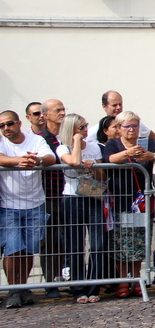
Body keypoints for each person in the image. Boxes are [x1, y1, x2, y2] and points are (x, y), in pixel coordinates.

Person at [103, 111, 155, 298]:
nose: (132, 130)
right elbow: (108, 159)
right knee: (121, 243)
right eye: (127, 126)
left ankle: (137, 278)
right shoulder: (113, 143)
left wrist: (151, 156)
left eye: (135, 126)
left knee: (140, 242)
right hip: (120, 199)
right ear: (119, 128)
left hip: (140, 199)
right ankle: (124, 281)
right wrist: (127, 153)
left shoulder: (146, 142)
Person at [0, 110, 55, 308]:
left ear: (19, 123)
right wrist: (19, 160)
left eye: (10, 123)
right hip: (9, 205)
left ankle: (23, 287)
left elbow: (50, 157)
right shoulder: (1, 142)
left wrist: (37, 160)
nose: (6, 128)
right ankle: (13, 290)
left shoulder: (35, 140)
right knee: (12, 249)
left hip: (35, 204)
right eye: (2, 125)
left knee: (28, 250)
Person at [57, 113, 108, 302]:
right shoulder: (63, 147)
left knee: (97, 244)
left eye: (86, 126)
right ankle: (78, 288)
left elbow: (103, 175)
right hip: (72, 198)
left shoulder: (95, 147)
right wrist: (77, 141)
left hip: (93, 196)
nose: (85, 130)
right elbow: (74, 162)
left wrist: (93, 166)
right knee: (76, 245)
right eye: (80, 128)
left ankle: (94, 287)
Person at [39, 99, 66, 298]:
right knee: (51, 242)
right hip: (49, 196)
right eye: (58, 110)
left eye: (63, 109)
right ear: (46, 115)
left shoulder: (66, 136)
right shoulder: (41, 138)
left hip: (69, 196)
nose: (62, 113)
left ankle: (70, 279)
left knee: (71, 239)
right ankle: (51, 284)